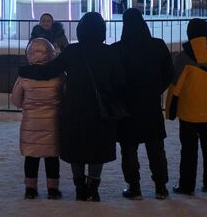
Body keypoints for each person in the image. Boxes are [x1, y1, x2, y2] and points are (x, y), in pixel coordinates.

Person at [20, 12, 126, 202]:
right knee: (97, 149)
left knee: (77, 148)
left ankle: (79, 188)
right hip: (101, 110)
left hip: (75, 107)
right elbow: (120, 82)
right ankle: (93, 189)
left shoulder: (73, 51)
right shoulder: (110, 52)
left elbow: (49, 70)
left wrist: (25, 71)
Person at [111, 8, 173, 200]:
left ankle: (134, 187)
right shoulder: (157, 46)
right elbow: (169, 73)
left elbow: (112, 78)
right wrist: (156, 89)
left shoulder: (117, 49)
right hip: (150, 104)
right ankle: (161, 187)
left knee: (128, 149)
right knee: (155, 147)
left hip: (127, 106)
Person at [167, 18, 207, 196]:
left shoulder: (184, 57)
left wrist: (170, 111)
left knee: (189, 151)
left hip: (188, 113)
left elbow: (175, 87)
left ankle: (187, 185)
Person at [11, 38, 64, 200]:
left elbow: (16, 100)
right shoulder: (59, 75)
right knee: (52, 156)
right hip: (52, 122)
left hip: (31, 122)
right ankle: (53, 189)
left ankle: (30, 189)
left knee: (31, 156)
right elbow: (65, 95)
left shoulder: (24, 76)